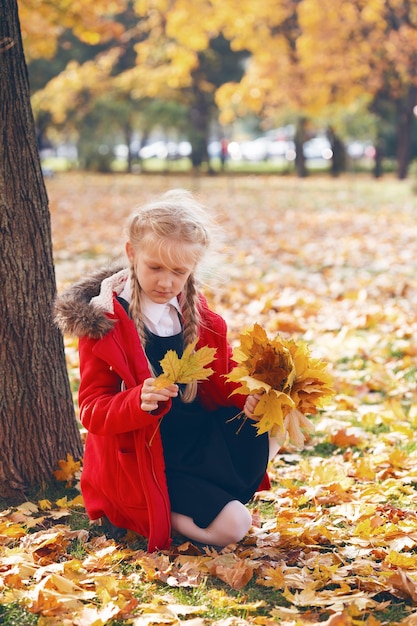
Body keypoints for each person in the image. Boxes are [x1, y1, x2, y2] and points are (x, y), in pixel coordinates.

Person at [54, 189, 272, 552]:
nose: (167, 282)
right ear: (131, 254)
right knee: (236, 525)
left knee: (276, 424)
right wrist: (136, 400)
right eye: (155, 267)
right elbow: (92, 410)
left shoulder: (201, 318)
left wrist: (248, 396)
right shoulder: (104, 324)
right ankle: (151, 513)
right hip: (145, 460)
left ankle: (208, 495)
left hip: (198, 442)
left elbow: (224, 378)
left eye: (179, 272)